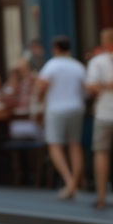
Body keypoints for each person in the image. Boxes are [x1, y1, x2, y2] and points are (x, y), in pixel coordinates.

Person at [37, 35, 87, 200]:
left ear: (56, 48)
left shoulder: (52, 65)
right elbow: (85, 89)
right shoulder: (78, 66)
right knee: (75, 144)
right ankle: (74, 182)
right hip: (76, 107)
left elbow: (41, 87)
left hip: (57, 108)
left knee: (55, 145)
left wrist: (39, 99)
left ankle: (69, 181)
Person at [84, 27, 113, 210]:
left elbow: (91, 87)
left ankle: (101, 198)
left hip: (104, 113)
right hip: (103, 112)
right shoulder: (98, 61)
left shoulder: (97, 61)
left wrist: (105, 86)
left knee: (101, 153)